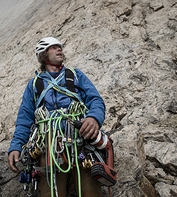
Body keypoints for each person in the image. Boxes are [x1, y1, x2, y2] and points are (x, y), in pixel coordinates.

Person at [8, 37, 107, 197]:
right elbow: (24, 119)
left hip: (81, 145)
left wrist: (93, 118)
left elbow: (95, 100)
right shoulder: (34, 85)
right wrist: (16, 146)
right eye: (53, 48)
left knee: (90, 193)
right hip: (48, 147)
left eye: (59, 47)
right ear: (43, 55)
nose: (59, 49)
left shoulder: (76, 75)